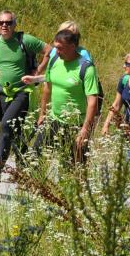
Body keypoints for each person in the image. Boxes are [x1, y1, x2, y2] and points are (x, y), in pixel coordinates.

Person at [0, 11, 47, 175]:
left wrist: (38, 71)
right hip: (4, 92)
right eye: (1, 22)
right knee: (16, 131)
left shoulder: (25, 40)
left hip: (22, 92)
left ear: (14, 24)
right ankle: (26, 169)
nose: (4, 25)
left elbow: (50, 51)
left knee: (6, 125)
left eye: (8, 22)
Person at [33, 30, 101, 165]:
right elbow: (47, 88)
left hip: (76, 124)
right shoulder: (54, 61)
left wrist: (85, 129)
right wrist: (42, 114)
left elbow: (92, 101)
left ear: (73, 46)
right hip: (53, 119)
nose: (56, 51)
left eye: (60, 48)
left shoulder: (86, 68)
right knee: (35, 157)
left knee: (74, 166)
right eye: (55, 47)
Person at [21, 21, 92, 86]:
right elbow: (51, 76)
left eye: (71, 35)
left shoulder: (83, 54)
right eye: (63, 33)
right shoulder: (54, 52)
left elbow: (88, 78)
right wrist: (35, 79)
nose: (67, 37)